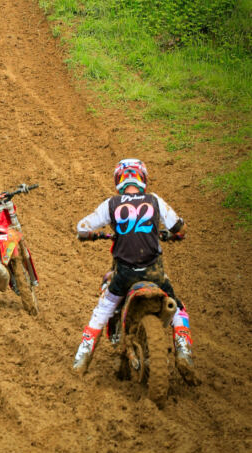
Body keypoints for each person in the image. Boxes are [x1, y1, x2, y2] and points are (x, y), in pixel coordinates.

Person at [73, 158, 198, 384]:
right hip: (153, 272)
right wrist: (172, 235)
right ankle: (183, 350)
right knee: (177, 307)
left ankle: (82, 357)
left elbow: (82, 228)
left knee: (103, 309)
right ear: (143, 178)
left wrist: (94, 235)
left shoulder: (111, 204)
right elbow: (181, 229)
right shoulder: (155, 200)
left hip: (124, 273)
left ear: (118, 180)